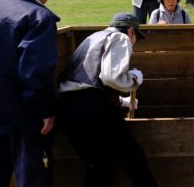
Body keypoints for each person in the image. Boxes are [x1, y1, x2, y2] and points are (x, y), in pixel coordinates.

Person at [58, 12, 158, 187]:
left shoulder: (94, 37)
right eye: (136, 38)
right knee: (135, 160)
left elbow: (87, 81)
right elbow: (111, 77)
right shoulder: (120, 38)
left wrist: (122, 101)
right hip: (93, 109)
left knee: (101, 163)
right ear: (131, 31)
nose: (134, 43)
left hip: (68, 108)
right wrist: (134, 79)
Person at [0, 0, 60, 187]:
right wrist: (45, 111)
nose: (46, 1)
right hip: (20, 114)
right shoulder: (37, 16)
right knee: (34, 178)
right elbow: (35, 71)